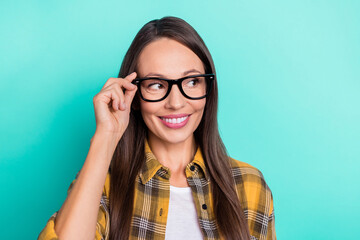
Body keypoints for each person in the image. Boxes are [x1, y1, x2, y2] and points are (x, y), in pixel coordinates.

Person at [38, 16, 276, 240]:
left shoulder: (248, 184)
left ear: (208, 88)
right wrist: (105, 137)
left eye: (192, 81)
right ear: (133, 95)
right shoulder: (102, 183)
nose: (175, 103)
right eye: (156, 85)